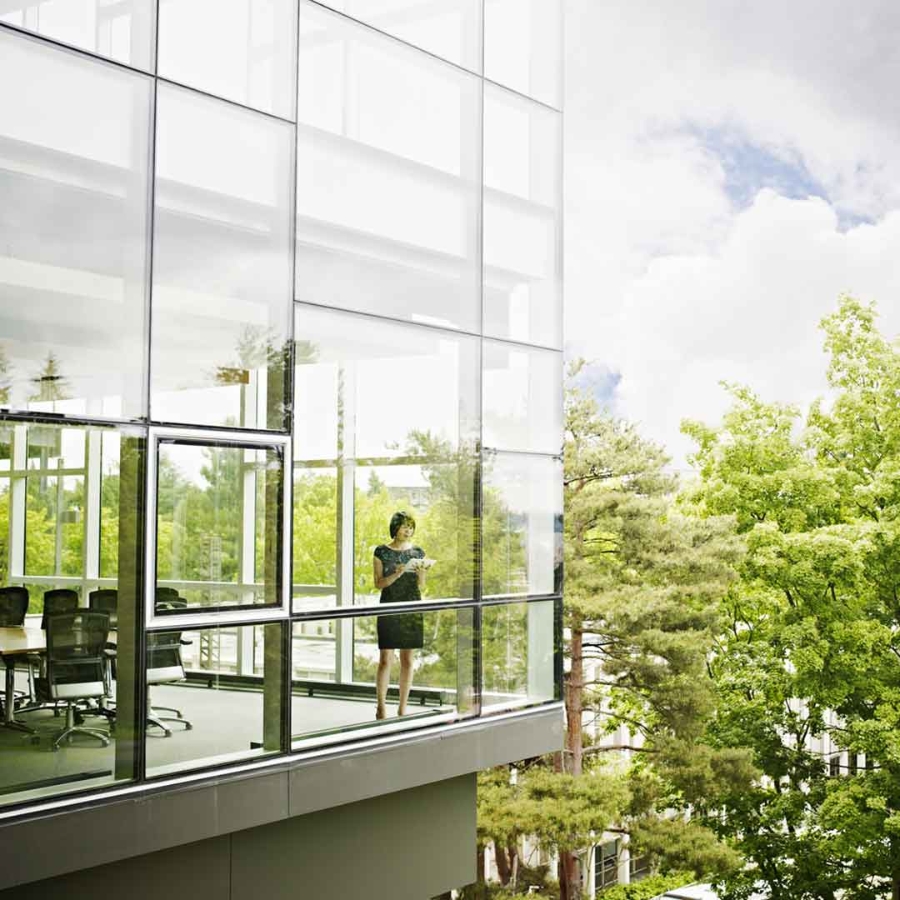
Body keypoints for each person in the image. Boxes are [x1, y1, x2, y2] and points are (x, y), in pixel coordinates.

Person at [373, 511, 427, 719]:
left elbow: (421, 586)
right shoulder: (381, 552)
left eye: (411, 527)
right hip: (389, 607)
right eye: (405, 526)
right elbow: (378, 584)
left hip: (412, 609)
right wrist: (397, 572)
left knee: (408, 659)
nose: (408, 530)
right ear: (395, 528)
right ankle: (381, 706)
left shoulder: (418, 552)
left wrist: (421, 575)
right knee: (386, 659)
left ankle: (403, 707)